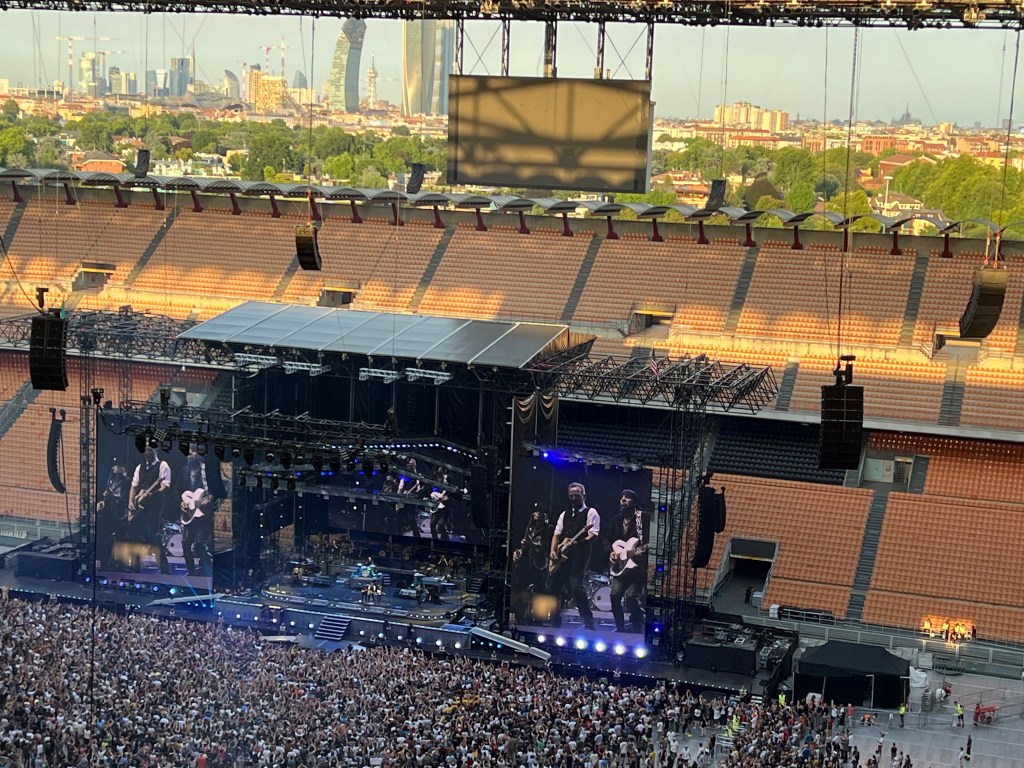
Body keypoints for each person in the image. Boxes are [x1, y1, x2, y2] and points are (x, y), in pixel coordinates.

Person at [547, 482, 600, 630]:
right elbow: (556, 534)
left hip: (580, 555)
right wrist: (553, 551)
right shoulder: (564, 514)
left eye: (577, 496)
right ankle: (554, 620)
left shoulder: (591, 513)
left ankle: (588, 620)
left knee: (576, 587)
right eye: (571, 496)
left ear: (584, 496)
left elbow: (593, 535)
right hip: (562, 555)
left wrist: (577, 543)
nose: (574, 499)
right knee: (552, 587)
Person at [607, 489, 649, 633]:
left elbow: (651, 541)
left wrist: (641, 550)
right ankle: (620, 628)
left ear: (635, 502)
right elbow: (607, 540)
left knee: (631, 598)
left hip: (637, 568)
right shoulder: (616, 520)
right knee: (614, 596)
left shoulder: (643, 519)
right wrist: (611, 552)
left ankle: (637, 624)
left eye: (628, 497)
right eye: (622, 497)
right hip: (620, 566)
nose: (623, 499)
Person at [127, 446, 172, 574]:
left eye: (149, 451)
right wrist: (131, 501)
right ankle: (135, 567)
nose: (146, 454)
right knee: (134, 536)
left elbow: (165, 486)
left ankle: (164, 567)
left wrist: (151, 494)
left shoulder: (162, 465)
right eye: (145, 451)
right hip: (140, 507)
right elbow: (134, 486)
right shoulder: (140, 467)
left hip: (154, 506)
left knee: (153, 536)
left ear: (155, 451)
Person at [510, 505, 553, 623]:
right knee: (521, 588)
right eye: (536, 513)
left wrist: (532, 544)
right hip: (527, 563)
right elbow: (522, 544)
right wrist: (517, 552)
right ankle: (520, 616)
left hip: (541, 564)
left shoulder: (550, 529)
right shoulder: (529, 528)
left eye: (541, 513)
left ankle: (540, 619)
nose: (537, 516)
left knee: (540, 591)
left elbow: (546, 546)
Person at [96, 457, 129, 568]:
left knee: (121, 539)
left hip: (120, 514)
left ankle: (120, 563)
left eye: (119, 466)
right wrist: (101, 502)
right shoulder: (109, 481)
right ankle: (105, 562)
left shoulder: (127, 482)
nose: (116, 468)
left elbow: (125, 498)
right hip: (108, 513)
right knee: (104, 538)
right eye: (115, 466)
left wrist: (113, 497)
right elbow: (104, 495)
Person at [179, 488, 216, 578]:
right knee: (185, 544)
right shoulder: (187, 477)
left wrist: (194, 503)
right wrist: (183, 504)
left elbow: (211, 498)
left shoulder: (205, 479)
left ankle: (207, 571)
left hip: (202, 517)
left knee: (200, 545)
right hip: (190, 516)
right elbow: (183, 496)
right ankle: (191, 572)